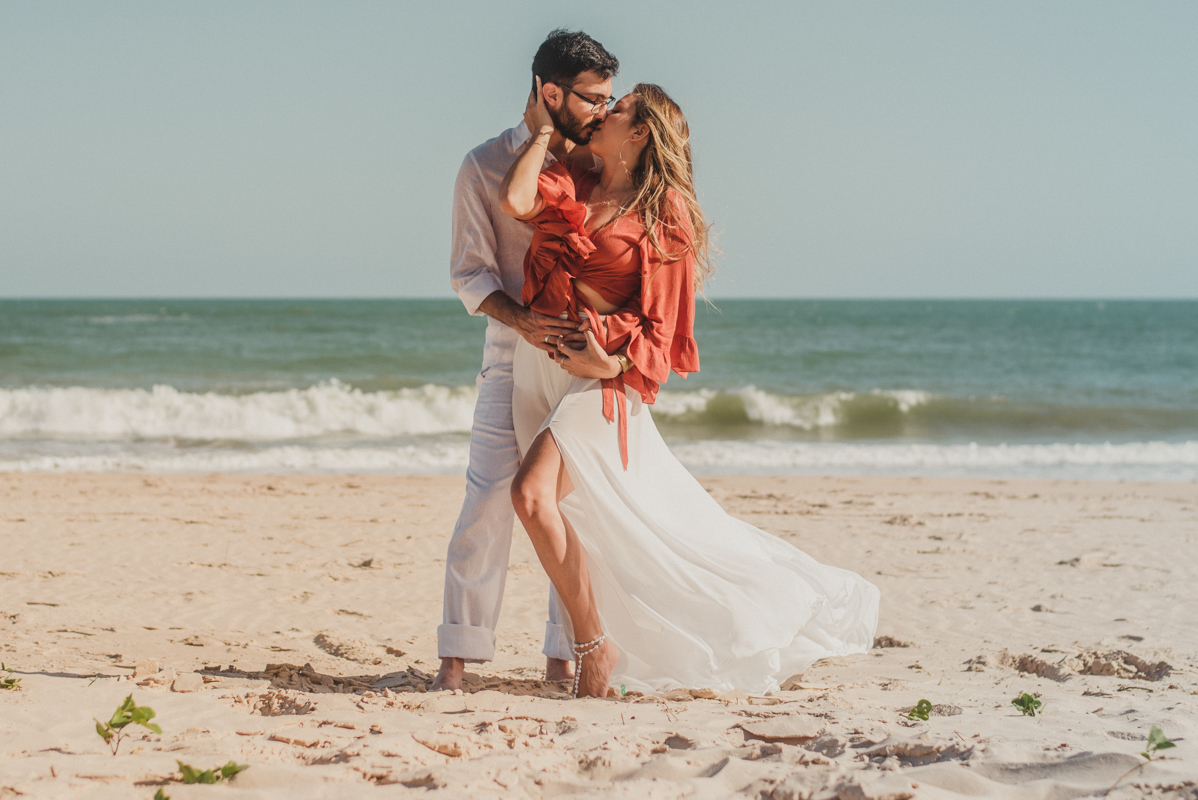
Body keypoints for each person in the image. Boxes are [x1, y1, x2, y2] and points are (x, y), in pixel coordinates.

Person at [498, 81, 881, 697]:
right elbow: (515, 199)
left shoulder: (665, 214)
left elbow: (666, 328)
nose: (602, 111)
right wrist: (542, 129)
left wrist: (609, 364)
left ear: (642, 132)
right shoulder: (578, 178)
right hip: (546, 365)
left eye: (615, 109)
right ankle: (597, 641)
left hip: (603, 381)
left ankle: (594, 648)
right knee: (568, 513)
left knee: (532, 495)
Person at [436, 29, 619, 692]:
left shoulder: (606, 164)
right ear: (550, 92)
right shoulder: (482, 165)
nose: (605, 108)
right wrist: (524, 322)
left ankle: (563, 656)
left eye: (609, 96)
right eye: (593, 98)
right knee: (487, 499)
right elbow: (469, 274)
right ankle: (455, 661)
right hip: (511, 356)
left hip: (582, 362)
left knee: (572, 509)